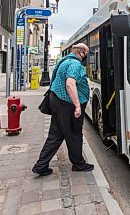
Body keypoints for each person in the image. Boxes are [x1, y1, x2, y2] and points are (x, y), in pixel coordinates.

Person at [32, 43, 94, 175]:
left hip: (57, 100)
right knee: (75, 133)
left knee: (56, 134)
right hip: (67, 104)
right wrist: (77, 106)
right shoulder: (75, 64)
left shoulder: (63, 61)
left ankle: (41, 165)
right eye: (86, 54)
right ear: (82, 53)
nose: (86, 58)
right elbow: (70, 84)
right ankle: (78, 164)